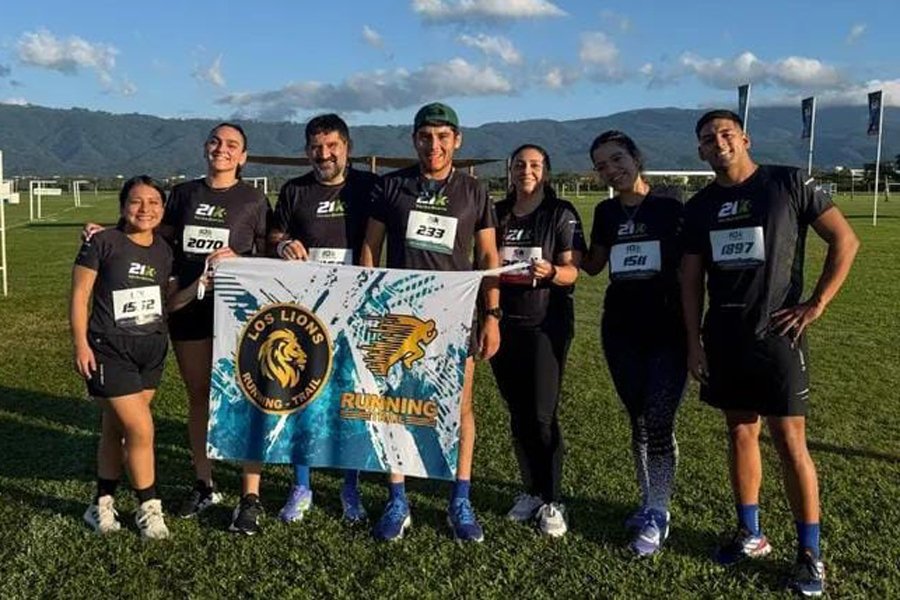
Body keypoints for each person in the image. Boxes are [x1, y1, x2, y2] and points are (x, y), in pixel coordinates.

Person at [682, 110, 859, 596]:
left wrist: (816, 304)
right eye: (708, 138)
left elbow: (845, 240)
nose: (718, 142)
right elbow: (691, 278)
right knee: (740, 432)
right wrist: (694, 340)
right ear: (700, 151)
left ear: (745, 139)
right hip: (725, 335)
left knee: (788, 440)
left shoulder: (788, 183)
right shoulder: (700, 206)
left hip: (779, 334)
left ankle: (809, 554)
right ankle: (751, 533)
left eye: (726, 133)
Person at [360, 102, 500, 542]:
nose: (433, 145)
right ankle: (397, 498)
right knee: (397, 405)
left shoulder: (474, 191)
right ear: (414, 139)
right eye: (425, 136)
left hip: (457, 316)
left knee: (459, 408)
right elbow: (370, 249)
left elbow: (488, 256)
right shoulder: (391, 186)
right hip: (400, 315)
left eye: (442, 137)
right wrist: (369, 303)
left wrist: (492, 314)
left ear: (457, 140)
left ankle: (460, 498)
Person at [71, 176, 226, 539]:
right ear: (123, 206)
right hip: (110, 349)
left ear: (163, 208)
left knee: (116, 428)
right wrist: (81, 344)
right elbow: (79, 296)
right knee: (141, 429)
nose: (145, 209)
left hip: (151, 351)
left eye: (154, 202)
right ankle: (149, 508)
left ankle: (101, 504)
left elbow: (169, 303)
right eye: (136, 201)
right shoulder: (102, 242)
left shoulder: (164, 251)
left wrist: (199, 286)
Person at [267, 113, 380, 524]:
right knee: (302, 395)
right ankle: (302, 485)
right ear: (306, 151)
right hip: (306, 311)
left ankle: (350, 486)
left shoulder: (371, 187)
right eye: (316, 147)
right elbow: (274, 235)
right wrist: (283, 246)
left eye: (332, 145)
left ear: (347, 147)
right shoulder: (295, 190)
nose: (324, 154)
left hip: (356, 309)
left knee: (351, 401)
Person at [581, 131, 686, 556]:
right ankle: (647, 503)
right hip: (620, 329)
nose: (611, 169)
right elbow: (593, 265)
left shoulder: (671, 204)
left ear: (636, 157)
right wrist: (556, 244)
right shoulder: (605, 211)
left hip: (668, 329)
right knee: (638, 419)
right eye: (602, 165)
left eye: (617, 159)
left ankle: (659, 511)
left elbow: (693, 263)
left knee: (659, 420)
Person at [162, 123, 271, 534]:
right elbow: (156, 239)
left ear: (243, 157)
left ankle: (250, 495)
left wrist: (239, 260)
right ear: (205, 147)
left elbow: (269, 257)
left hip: (238, 313)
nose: (221, 149)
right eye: (215, 141)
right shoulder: (183, 194)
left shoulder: (255, 199)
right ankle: (204, 483)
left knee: (246, 397)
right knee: (199, 396)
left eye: (231, 145)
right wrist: (109, 232)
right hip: (190, 309)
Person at [490, 144, 584, 537]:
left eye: (534, 165)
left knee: (543, 415)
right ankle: (530, 490)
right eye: (519, 164)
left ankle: (553, 499)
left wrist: (551, 273)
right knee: (518, 412)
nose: (526, 171)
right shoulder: (497, 212)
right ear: (510, 170)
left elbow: (574, 271)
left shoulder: (560, 212)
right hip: (503, 324)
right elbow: (486, 263)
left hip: (546, 325)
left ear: (545, 170)